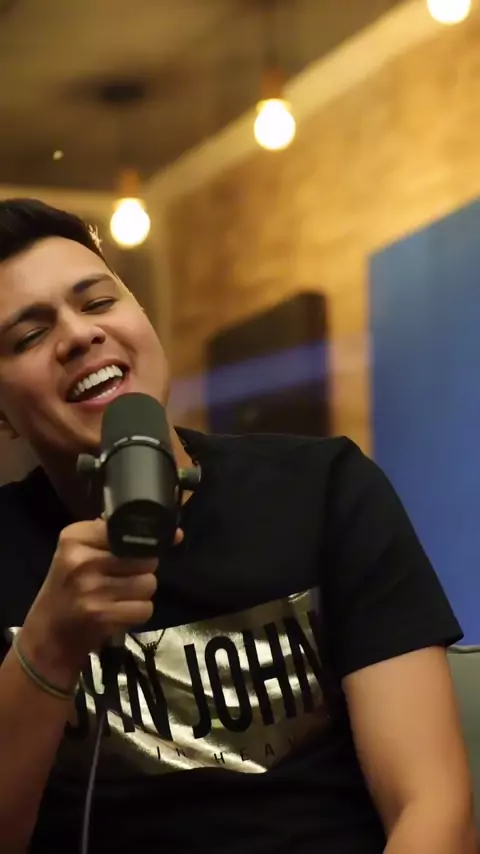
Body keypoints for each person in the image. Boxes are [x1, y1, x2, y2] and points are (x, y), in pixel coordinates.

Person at [0, 198, 475, 854]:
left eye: (98, 301)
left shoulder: (323, 488)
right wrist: (48, 647)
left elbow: (433, 805)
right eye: (28, 336)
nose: (80, 335)